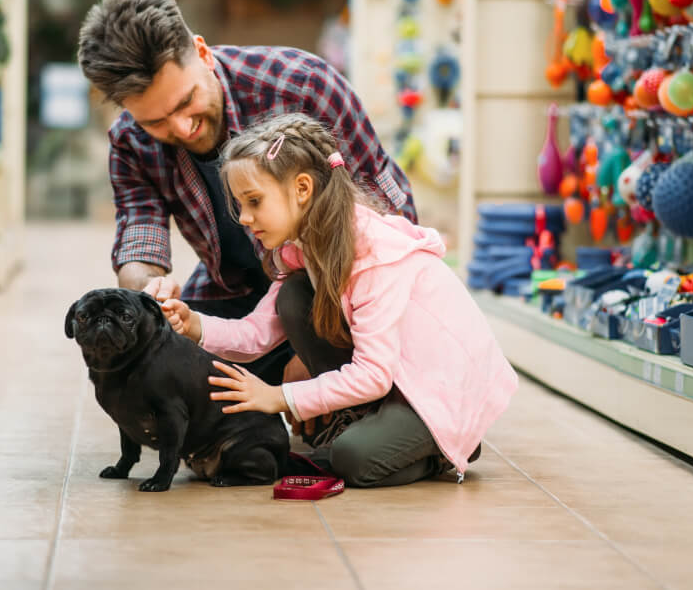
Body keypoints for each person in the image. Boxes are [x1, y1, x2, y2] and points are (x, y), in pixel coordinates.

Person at [77, 0, 417, 388]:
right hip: (236, 293)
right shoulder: (130, 141)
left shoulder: (302, 85)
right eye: (157, 123)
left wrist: (312, 351)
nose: (182, 128)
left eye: (187, 102)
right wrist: (148, 293)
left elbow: (388, 224)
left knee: (309, 325)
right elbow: (140, 235)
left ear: (202, 53)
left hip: (337, 288)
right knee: (165, 369)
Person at [160, 113, 518, 487]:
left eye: (254, 201)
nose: (245, 218)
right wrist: (194, 324)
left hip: (438, 388)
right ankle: (370, 423)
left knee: (351, 460)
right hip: (396, 377)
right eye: (240, 205)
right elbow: (256, 335)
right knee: (295, 297)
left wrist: (279, 397)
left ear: (302, 189)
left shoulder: (372, 255)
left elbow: (373, 375)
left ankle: (446, 448)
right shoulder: (304, 248)